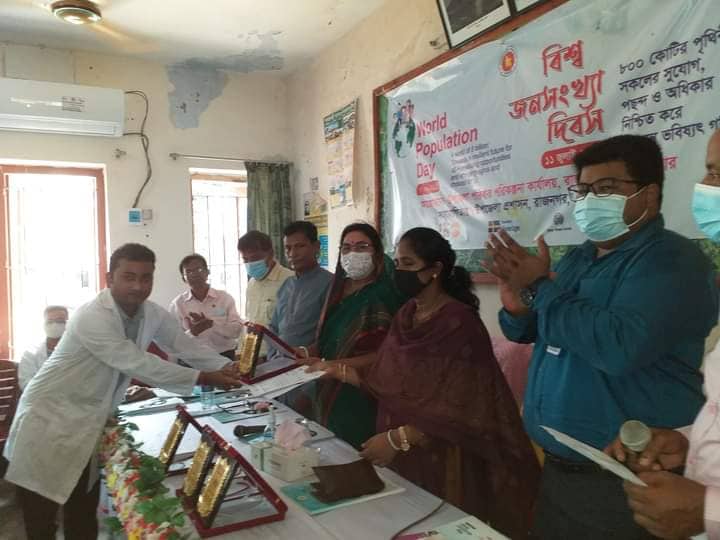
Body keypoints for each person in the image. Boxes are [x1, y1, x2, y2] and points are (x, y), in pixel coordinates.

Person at [486, 134, 718, 538]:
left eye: (606, 188)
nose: (591, 200)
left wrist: (539, 287)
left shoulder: (673, 260)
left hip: (627, 480)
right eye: (584, 190)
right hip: (559, 471)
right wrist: (519, 308)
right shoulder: (579, 257)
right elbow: (541, 330)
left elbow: (618, 347)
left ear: (649, 195)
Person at [3, 243, 244, 540]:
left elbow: (183, 344)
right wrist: (205, 377)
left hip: (86, 423)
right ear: (110, 278)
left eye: (146, 277)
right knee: (42, 524)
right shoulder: (92, 316)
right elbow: (137, 362)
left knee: (82, 515)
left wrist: (227, 366)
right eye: (129, 277)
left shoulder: (150, 312)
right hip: (48, 421)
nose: (138, 286)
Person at [312, 227, 540, 538]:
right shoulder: (407, 314)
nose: (399, 272)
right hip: (399, 455)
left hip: (443, 457)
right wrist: (332, 369)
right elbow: (385, 377)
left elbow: (465, 404)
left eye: (408, 264)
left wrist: (399, 439)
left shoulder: (459, 322)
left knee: (435, 527)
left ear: (435, 270)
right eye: (397, 263)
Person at [604, 130, 720, 539]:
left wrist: (709, 512)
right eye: (710, 172)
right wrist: (688, 441)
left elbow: (619, 345)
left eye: (718, 175)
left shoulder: (673, 261)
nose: (706, 187)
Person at [300, 222, 405, 449]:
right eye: (346, 248)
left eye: (361, 247)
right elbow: (330, 339)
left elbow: (384, 355)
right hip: (328, 389)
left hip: (362, 393)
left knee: (357, 454)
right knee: (329, 450)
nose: (353, 254)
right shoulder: (337, 289)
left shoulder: (384, 294)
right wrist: (306, 352)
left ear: (377, 253)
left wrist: (334, 366)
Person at [269, 221, 333, 354]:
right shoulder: (286, 284)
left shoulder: (330, 284)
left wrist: (304, 354)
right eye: (288, 248)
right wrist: (272, 357)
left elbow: (332, 336)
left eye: (300, 246)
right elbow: (274, 329)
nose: (292, 254)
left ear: (316, 247)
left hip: (311, 363)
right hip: (278, 362)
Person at [169, 254, 243, 360]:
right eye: (189, 272)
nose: (194, 274)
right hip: (193, 359)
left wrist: (212, 324)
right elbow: (174, 342)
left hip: (224, 355)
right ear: (183, 278)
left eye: (199, 269)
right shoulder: (177, 304)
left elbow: (236, 332)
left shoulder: (224, 298)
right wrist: (193, 332)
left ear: (207, 272)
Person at [237, 230, 293, 355]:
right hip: (253, 355)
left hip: (277, 356)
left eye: (254, 258)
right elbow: (250, 321)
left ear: (270, 254)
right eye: (245, 259)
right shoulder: (252, 283)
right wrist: (242, 352)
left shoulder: (289, 280)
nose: (250, 264)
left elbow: (290, 329)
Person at [18, 305, 68, 390]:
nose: (54, 325)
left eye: (60, 321)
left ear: (68, 323)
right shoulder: (30, 353)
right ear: (43, 324)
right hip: (39, 397)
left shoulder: (78, 351)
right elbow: (26, 384)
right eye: (49, 321)